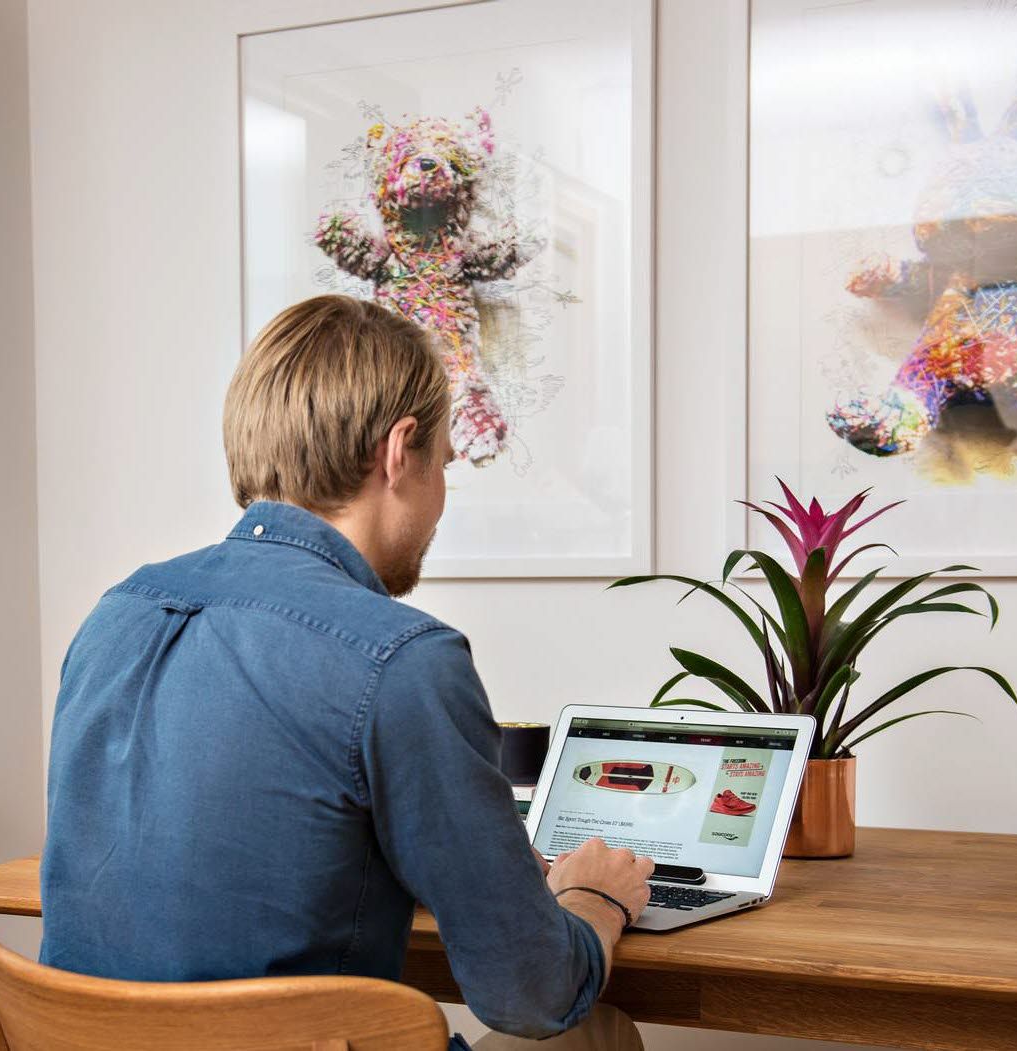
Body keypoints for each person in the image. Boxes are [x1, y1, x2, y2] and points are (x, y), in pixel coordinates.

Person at [40, 295, 652, 1049]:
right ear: (400, 451)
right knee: (591, 1031)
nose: (439, 501)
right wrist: (593, 898)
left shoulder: (114, 616)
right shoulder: (401, 658)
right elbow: (529, 992)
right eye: (444, 465)